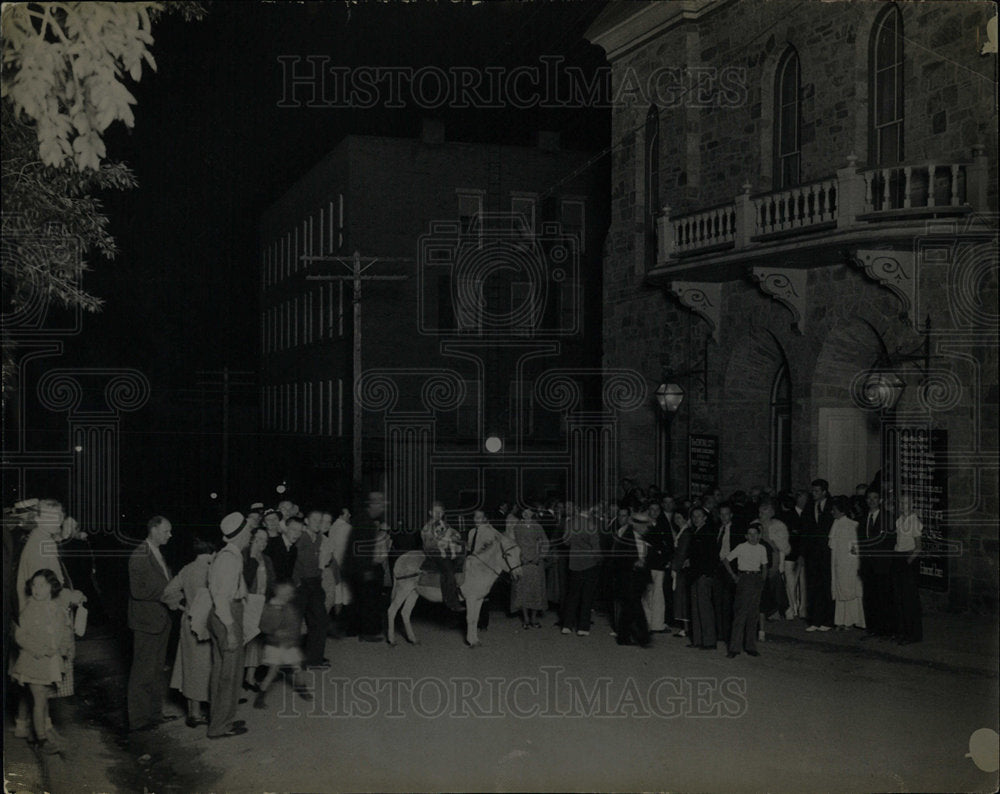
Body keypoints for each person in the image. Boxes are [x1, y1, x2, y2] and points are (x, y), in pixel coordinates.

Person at [10, 569, 75, 754]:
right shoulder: (29, 609)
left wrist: (63, 648)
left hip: (50, 663)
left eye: (42, 585)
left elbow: (63, 630)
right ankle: (41, 739)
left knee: (43, 699)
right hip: (33, 663)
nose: (37, 589)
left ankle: (42, 732)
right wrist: (38, 650)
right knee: (39, 700)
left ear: (51, 587)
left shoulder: (55, 607)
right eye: (34, 585)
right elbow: (20, 636)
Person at [127, 515, 179, 732]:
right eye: (166, 531)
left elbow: (162, 580)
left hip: (160, 619)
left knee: (157, 670)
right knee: (143, 672)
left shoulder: (157, 552)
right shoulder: (140, 554)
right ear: (154, 530)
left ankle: (155, 714)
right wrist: (168, 592)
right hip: (147, 622)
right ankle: (139, 720)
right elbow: (137, 590)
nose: (170, 535)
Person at [206, 512, 252, 739]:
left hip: (222, 615)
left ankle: (220, 719)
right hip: (226, 616)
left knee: (220, 672)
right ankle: (219, 726)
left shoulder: (228, 555)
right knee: (230, 675)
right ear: (241, 533)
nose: (251, 533)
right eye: (249, 530)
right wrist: (232, 629)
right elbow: (221, 598)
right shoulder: (230, 560)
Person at [162, 535, 214, 727]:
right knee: (206, 668)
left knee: (190, 666)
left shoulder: (187, 569)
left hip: (189, 622)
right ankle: (206, 711)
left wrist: (181, 607)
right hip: (206, 623)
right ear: (211, 553)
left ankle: (193, 713)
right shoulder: (212, 570)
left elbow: (167, 593)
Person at [253, 582, 313, 710]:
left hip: (289, 644)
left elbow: (295, 623)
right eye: (287, 593)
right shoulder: (268, 609)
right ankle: (260, 697)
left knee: (297, 668)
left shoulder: (288, 607)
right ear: (279, 593)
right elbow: (264, 626)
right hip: (275, 645)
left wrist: (296, 634)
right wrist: (274, 633)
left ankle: (303, 689)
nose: (290, 596)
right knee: (272, 672)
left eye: (290, 594)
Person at [345, 492, 389, 642]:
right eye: (380, 504)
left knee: (359, 600)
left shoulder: (365, 519)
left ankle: (352, 630)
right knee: (366, 600)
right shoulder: (365, 522)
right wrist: (367, 570)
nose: (382, 508)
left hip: (356, 568)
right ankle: (365, 632)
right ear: (373, 505)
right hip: (360, 568)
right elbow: (361, 549)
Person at [856, 487, 895, 640]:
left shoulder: (888, 518)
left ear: (880, 500)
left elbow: (890, 541)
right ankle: (872, 628)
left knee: (883, 597)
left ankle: (886, 629)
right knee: (870, 598)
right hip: (867, 565)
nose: (871, 501)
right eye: (869, 498)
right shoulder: (863, 519)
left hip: (882, 564)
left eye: (875, 498)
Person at [726, 524, 769, 658]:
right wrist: (734, 576)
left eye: (755, 534)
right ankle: (734, 648)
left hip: (756, 578)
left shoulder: (762, 548)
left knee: (753, 613)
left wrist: (762, 579)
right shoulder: (741, 547)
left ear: (760, 535)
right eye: (749, 534)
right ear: (746, 536)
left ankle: (750, 646)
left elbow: (765, 566)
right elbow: (726, 560)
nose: (752, 536)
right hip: (744, 578)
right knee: (741, 613)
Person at [293, 513, 330, 667]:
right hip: (301, 584)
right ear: (306, 521)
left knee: (320, 620)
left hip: (315, 583)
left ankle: (313, 659)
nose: (318, 523)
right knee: (295, 622)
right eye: (314, 520)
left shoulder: (320, 538)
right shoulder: (300, 537)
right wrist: (296, 582)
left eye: (320, 520)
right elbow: (293, 560)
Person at [559, 503, 602, 636]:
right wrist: (599, 559)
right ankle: (583, 627)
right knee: (587, 596)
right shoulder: (591, 525)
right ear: (588, 511)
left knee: (572, 595)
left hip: (574, 563)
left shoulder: (570, 523)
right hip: (589, 563)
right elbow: (596, 547)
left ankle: (567, 625)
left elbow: (565, 541)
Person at [612, 510, 652, 647]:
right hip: (629, 578)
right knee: (635, 606)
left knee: (629, 608)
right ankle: (644, 637)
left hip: (639, 578)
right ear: (635, 524)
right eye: (643, 525)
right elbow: (617, 559)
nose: (645, 527)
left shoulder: (644, 537)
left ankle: (623, 638)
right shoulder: (626, 537)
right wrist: (634, 563)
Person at [243, 527, 277, 688]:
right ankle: (238, 679)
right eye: (259, 539)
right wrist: (251, 557)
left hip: (261, 603)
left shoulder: (267, 559)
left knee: (255, 641)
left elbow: (272, 584)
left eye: (265, 540)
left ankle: (249, 677)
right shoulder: (244, 555)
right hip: (246, 604)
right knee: (243, 641)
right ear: (251, 539)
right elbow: (245, 581)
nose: (262, 543)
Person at [421, 501, 465, 613]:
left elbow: (455, 535)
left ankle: (461, 589)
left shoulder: (445, 525)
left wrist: (456, 538)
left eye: (441, 512)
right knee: (448, 569)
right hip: (434, 552)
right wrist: (442, 541)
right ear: (430, 513)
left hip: (446, 549)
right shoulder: (427, 527)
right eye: (436, 512)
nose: (438, 514)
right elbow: (428, 544)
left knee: (463, 560)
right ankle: (452, 601)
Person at [828, 496, 865, 630]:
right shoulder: (836, 524)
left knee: (849, 591)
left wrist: (853, 566)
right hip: (837, 563)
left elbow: (854, 549)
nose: (832, 512)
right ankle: (840, 621)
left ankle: (850, 621)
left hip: (849, 564)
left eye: (834, 510)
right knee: (839, 592)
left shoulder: (851, 525)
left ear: (842, 511)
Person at [803, 479, 834, 632]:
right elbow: (805, 531)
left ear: (824, 492)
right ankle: (814, 620)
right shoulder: (809, 507)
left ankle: (828, 620)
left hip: (827, 554)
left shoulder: (832, 507)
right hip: (813, 555)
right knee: (813, 587)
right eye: (812, 491)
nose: (814, 494)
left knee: (826, 586)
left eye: (817, 491)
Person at [510, 506, 549, 628]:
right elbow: (513, 544)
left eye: (529, 511)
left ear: (532, 513)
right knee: (523, 590)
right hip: (523, 562)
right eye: (524, 512)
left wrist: (540, 556)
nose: (526, 514)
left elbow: (545, 542)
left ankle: (534, 618)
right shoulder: (517, 527)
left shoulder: (537, 526)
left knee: (536, 590)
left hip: (536, 563)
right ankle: (526, 619)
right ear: (522, 513)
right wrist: (519, 558)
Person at [893, 494, 923, 645]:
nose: (902, 505)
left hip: (908, 560)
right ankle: (902, 632)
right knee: (899, 598)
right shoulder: (899, 520)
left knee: (909, 599)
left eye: (905, 502)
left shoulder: (914, 521)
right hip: (899, 558)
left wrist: (908, 561)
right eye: (900, 502)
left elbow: (918, 547)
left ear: (912, 505)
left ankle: (913, 634)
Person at [687, 506, 718, 650]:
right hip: (695, 575)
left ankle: (709, 641)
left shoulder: (708, 533)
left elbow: (711, 556)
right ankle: (698, 639)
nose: (695, 519)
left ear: (705, 518)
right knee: (696, 608)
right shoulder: (695, 532)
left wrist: (706, 574)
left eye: (698, 516)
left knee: (705, 608)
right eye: (693, 516)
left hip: (703, 575)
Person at [641, 501, 672, 633]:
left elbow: (668, 544)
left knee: (658, 594)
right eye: (651, 509)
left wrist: (667, 558)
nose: (654, 512)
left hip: (659, 565)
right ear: (647, 511)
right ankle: (646, 623)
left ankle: (657, 624)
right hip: (647, 564)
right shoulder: (642, 526)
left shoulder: (663, 525)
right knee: (647, 593)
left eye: (657, 510)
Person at [670, 509, 691, 638]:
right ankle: (684, 628)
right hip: (680, 567)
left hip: (682, 569)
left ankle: (686, 629)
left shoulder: (686, 533)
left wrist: (674, 567)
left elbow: (682, 552)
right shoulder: (681, 532)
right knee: (681, 598)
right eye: (675, 518)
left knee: (683, 598)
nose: (677, 520)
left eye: (679, 518)